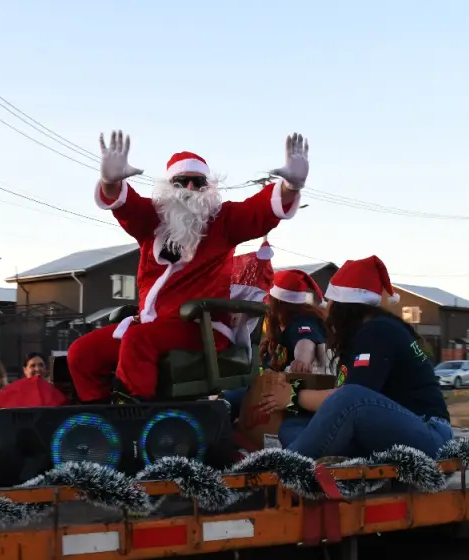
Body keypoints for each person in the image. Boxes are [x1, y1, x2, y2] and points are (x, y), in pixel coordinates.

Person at [68, 131, 307, 403]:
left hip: (201, 328)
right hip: (152, 326)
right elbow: (125, 204)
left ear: (209, 188)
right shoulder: (152, 220)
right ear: (168, 188)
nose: (191, 189)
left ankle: (138, 419)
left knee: (138, 341)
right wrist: (110, 182)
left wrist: (291, 186)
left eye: (199, 182)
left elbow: (260, 210)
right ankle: (99, 421)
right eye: (182, 182)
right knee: (81, 352)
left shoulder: (223, 222)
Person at [259, 256, 452, 461]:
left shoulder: (378, 331)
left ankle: (287, 467)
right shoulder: (362, 336)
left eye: (332, 301)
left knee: (348, 397)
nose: (327, 308)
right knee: (294, 425)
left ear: (345, 307)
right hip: (391, 431)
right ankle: (330, 464)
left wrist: (293, 396)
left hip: (429, 435)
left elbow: (350, 399)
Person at [222, 269, 326, 422]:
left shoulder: (302, 321)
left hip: (286, 395)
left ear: (276, 301)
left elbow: (305, 341)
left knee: (228, 401)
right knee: (228, 397)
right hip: (270, 388)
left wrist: (302, 360)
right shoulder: (280, 325)